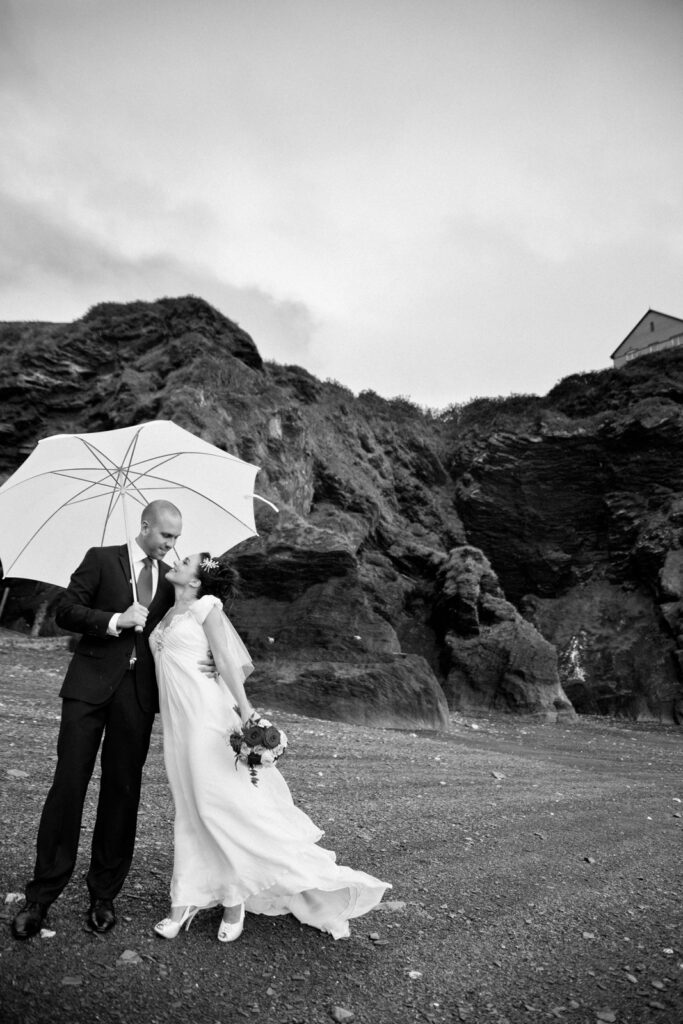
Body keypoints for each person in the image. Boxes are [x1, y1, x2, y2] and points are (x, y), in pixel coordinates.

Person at [151, 552, 391, 942]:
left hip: (207, 720)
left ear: (196, 581)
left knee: (220, 807)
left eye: (187, 560)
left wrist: (247, 713)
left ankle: (234, 897)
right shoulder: (165, 613)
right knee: (191, 810)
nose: (178, 558)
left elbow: (227, 661)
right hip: (177, 725)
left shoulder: (206, 606)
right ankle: (189, 896)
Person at [11, 500, 183, 940]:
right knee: (68, 785)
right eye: (167, 536)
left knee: (122, 793)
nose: (172, 544)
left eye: (177, 538)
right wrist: (114, 620)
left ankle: (103, 895)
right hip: (87, 689)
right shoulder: (100, 558)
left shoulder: (172, 579)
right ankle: (41, 897)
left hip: (138, 697)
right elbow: (67, 611)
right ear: (145, 527)